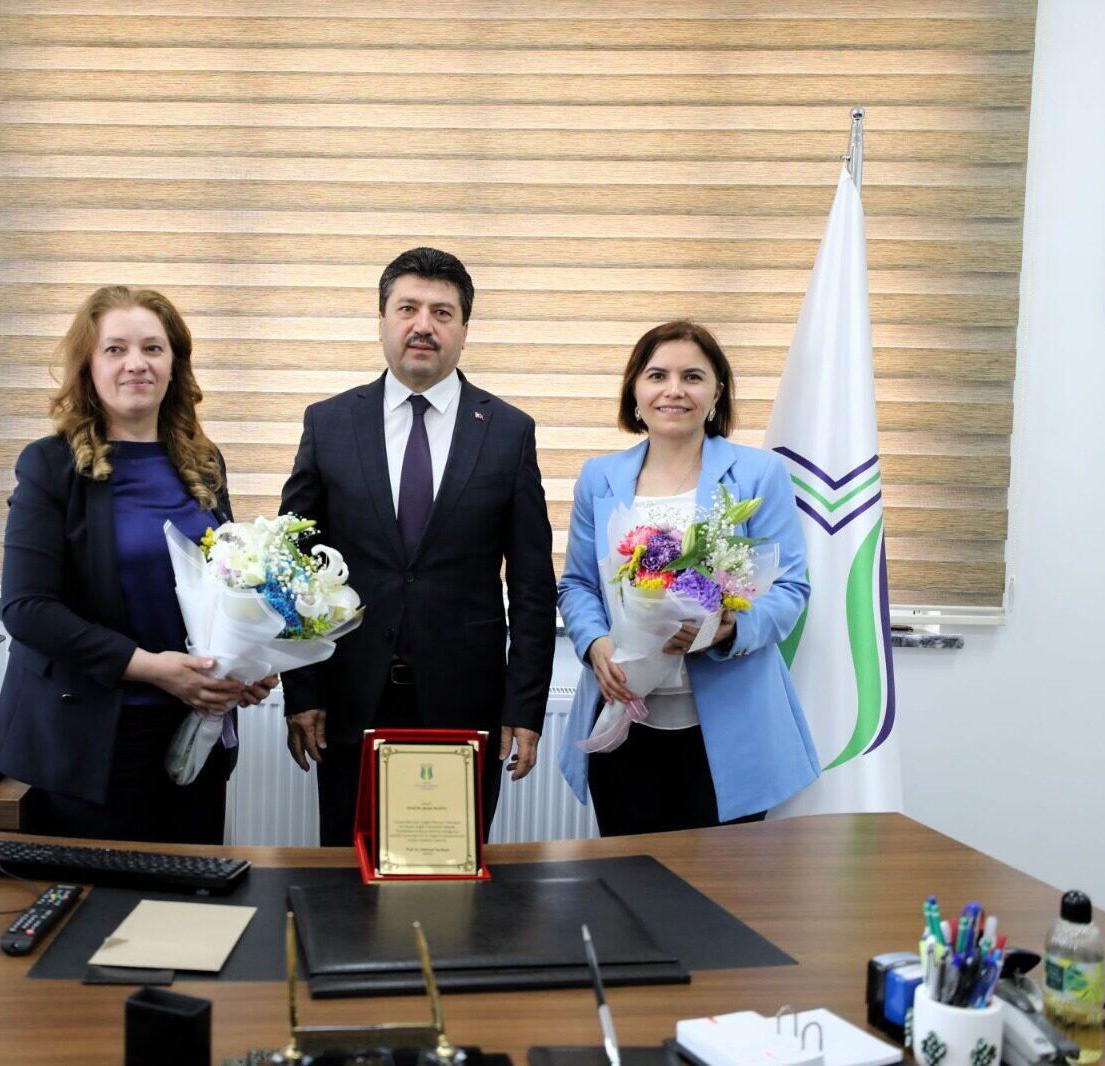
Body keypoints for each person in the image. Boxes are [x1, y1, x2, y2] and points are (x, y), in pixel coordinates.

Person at [278, 247, 557, 846]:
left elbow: (532, 583)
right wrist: (300, 691)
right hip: (348, 701)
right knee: (346, 878)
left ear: (464, 329)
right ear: (382, 320)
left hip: (465, 704)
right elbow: (292, 567)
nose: (423, 325)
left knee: (450, 880)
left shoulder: (509, 432)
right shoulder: (329, 424)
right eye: (407, 308)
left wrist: (524, 706)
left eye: (442, 312)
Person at [0, 285, 274, 843]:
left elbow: (230, 583)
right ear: (89, 367)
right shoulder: (49, 466)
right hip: (92, 742)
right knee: (101, 900)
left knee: (193, 893)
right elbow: (26, 609)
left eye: (152, 348)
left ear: (174, 365)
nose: (136, 363)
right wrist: (155, 669)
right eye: (115, 349)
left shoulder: (204, 462)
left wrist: (247, 665)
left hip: (195, 730)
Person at [556, 320, 820, 836]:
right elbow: (578, 584)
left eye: (692, 377)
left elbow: (792, 590)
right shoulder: (599, 477)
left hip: (730, 731)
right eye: (657, 375)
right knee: (632, 879)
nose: (674, 390)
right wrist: (595, 643)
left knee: (721, 882)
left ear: (716, 393)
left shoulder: (758, 474)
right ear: (635, 390)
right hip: (625, 722)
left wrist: (728, 628)